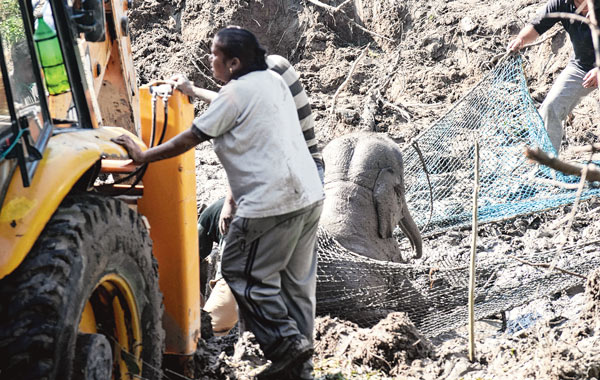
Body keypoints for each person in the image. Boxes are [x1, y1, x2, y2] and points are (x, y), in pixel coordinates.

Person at [112, 27, 324, 380]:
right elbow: (235, 103)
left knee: (241, 272)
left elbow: (190, 137)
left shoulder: (235, 95)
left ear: (235, 62)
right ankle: (300, 368)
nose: (210, 60)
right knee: (297, 285)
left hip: (271, 202)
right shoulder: (270, 81)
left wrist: (143, 155)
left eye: (215, 55)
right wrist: (194, 91)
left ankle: (287, 346)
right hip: (309, 196)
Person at [508, 0, 600, 153]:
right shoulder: (561, 4)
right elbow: (535, 26)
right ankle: (548, 166)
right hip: (581, 67)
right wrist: (520, 40)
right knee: (551, 108)